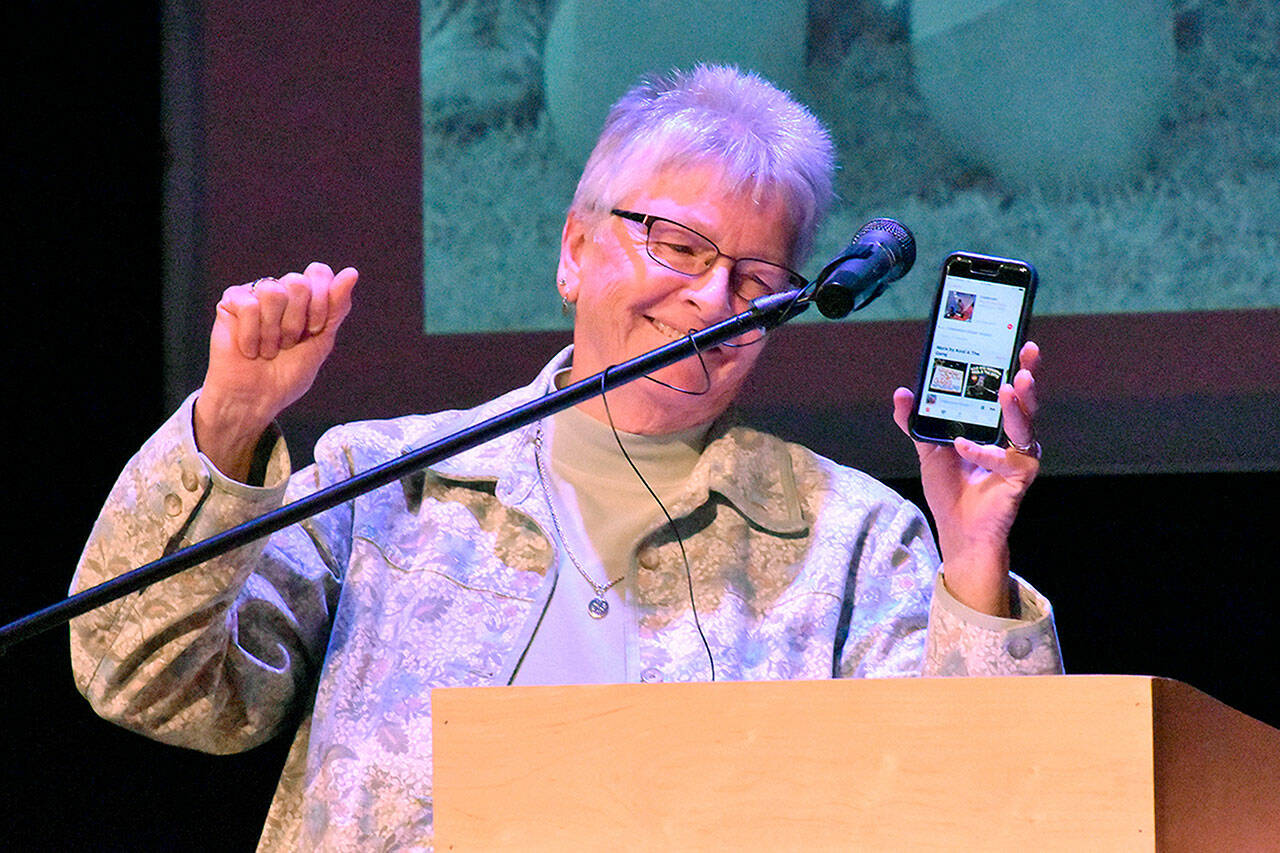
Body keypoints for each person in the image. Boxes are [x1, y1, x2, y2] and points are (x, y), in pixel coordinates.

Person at [70, 65, 1061, 850]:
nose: (712, 302)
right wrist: (232, 421)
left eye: (755, 279)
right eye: (675, 245)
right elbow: (146, 680)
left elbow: (990, 812)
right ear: (574, 251)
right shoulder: (381, 482)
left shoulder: (852, 541)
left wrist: (973, 558)